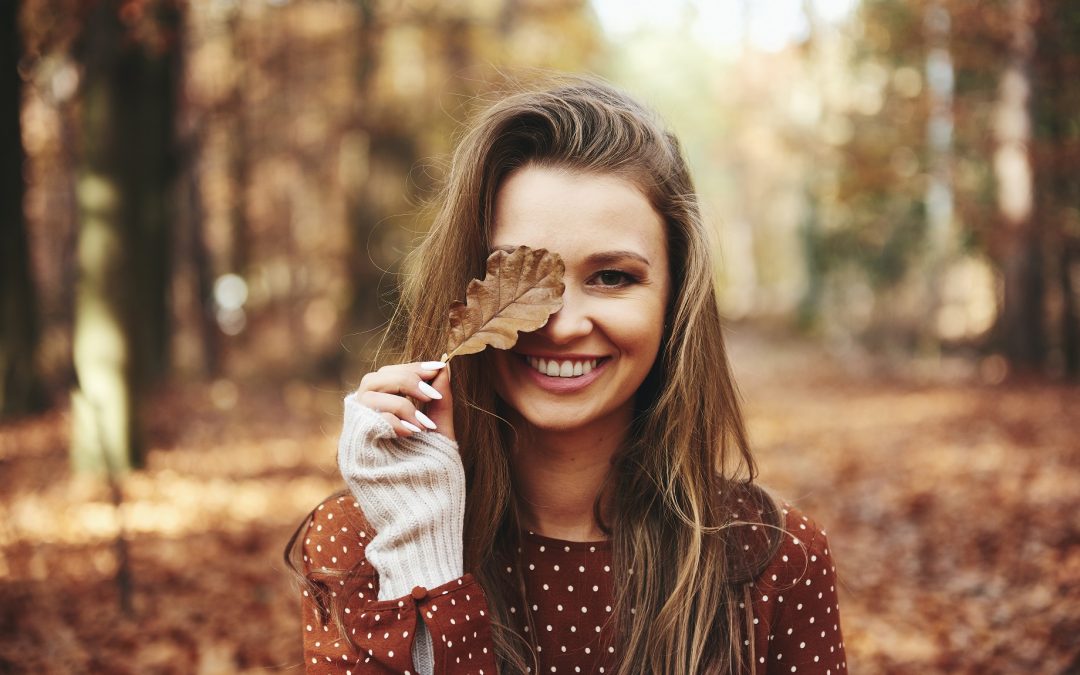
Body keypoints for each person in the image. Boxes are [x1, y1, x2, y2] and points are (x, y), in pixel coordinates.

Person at [286, 77, 847, 674]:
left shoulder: (775, 558)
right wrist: (424, 553)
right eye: (520, 276)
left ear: (674, 301)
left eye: (612, 277)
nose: (561, 325)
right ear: (467, 292)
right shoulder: (363, 542)